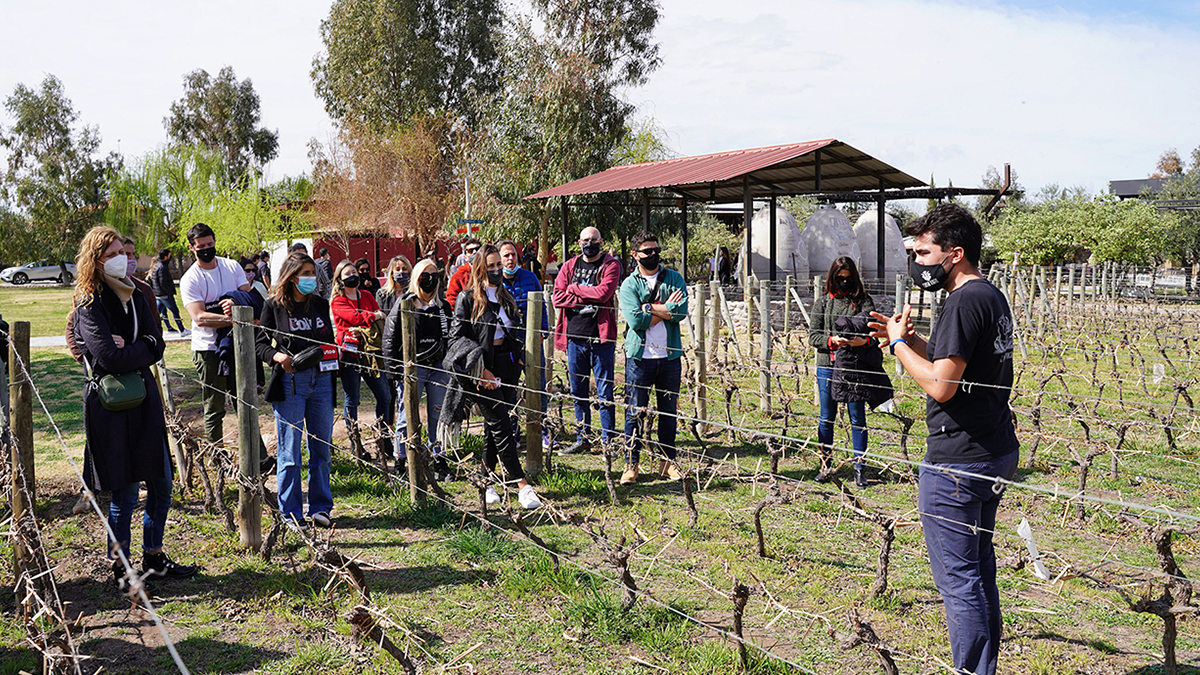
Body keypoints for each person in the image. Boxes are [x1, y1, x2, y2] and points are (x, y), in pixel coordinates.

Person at [869, 203, 1019, 675]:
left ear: (954, 254)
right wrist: (913, 343)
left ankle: (972, 670)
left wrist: (896, 348)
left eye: (924, 252)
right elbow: (952, 365)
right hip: (994, 449)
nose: (917, 262)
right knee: (978, 570)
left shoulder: (961, 301)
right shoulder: (989, 296)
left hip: (959, 459)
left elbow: (940, 385)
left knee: (959, 580)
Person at [72, 226, 196, 591]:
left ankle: (154, 558)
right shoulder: (89, 304)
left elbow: (157, 345)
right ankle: (122, 568)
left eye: (122, 253)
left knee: (162, 484)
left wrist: (132, 347)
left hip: (145, 402)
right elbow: (107, 356)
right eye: (111, 254)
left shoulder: (137, 294)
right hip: (112, 408)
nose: (121, 259)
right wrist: (133, 349)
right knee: (125, 495)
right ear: (95, 261)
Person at [442, 245, 541, 509]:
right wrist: (480, 368)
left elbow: (513, 330)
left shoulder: (506, 296)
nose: (497, 270)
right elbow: (457, 338)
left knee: (493, 427)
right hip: (482, 369)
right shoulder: (467, 299)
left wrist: (519, 355)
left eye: (499, 264)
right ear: (480, 268)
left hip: (508, 365)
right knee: (502, 425)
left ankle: (485, 481)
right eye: (491, 266)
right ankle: (522, 485)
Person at [179, 223, 271, 471]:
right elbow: (199, 317)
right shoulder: (190, 279)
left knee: (245, 400)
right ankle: (218, 458)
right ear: (192, 248)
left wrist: (235, 303)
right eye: (201, 247)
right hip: (208, 349)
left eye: (210, 245)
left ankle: (259, 456)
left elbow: (248, 297)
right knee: (214, 406)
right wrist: (234, 317)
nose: (207, 250)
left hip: (238, 345)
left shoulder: (232, 266)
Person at [256, 251, 337, 530]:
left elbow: (329, 340)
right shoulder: (274, 306)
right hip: (291, 382)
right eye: (305, 274)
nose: (311, 279)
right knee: (290, 452)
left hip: (322, 382)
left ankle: (320, 507)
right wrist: (278, 358)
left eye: (312, 273)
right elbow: (259, 344)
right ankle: (291, 513)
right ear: (291, 277)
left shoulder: (321, 305)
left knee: (322, 448)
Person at [617, 231, 689, 484]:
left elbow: (681, 313)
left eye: (656, 250)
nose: (653, 255)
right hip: (640, 358)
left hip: (669, 357)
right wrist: (664, 308)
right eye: (647, 251)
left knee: (668, 412)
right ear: (635, 255)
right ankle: (631, 465)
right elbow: (635, 321)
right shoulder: (629, 284)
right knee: (635, 412)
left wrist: (648, 308)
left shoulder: (674, 278)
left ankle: (668, 464)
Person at [552, 226, 622, 455]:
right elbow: (557, 297)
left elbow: (604, 293)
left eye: (593, 239)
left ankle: (607, 442)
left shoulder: (611, 265)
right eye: (585, 240)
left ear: (601, 241)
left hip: (601, 339)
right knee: (578, 392)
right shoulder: (569, 266)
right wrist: (582, 297)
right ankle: (583, 439)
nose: (589, 243)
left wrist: (575, 289)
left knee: (605, 393)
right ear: (579, 242)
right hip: (575, 338)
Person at [808, 257, 876, 487]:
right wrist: (832, 341)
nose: (844, 282)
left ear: (854, 278)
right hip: (828, 365)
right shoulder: (822, 303)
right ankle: (825, 466)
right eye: (840, 278)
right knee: (827, 417)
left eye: (848, 278)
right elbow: (813, 337)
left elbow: (872, 335)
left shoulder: (864, 302)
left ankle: (860, 469)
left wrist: (859, 342)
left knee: (857, 417)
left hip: (854, 367)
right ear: (832, 278)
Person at [382, 258, 452, 478]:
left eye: (434, 275)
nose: (430, 280)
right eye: (424, 276)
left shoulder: (443, 306)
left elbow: (449, 337)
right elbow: (390, 339)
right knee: (407, 416)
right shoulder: (405, 303)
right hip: (413, 367)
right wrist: (393, 371)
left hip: (438, 367)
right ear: (416, 278)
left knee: (438, 415)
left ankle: (439, 459)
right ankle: (402, 461)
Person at [498, 240, 551, 447]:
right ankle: (512, 429)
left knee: (537, 387)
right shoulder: (495, 281)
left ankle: (541, 429)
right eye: (506, 256)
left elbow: (542, 306)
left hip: (531, 341)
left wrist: (542, 333)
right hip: (506, 343)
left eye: (513, 254)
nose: (510, 259)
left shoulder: (529, 277)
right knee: (509, 387)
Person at [331, 259, 393, 426]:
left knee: (385, 396)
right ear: (339, 279)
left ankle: (383, 435)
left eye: (354, 272)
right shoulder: (338, 300)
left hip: (371, 353)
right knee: (353, 399)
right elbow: (356, 317)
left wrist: (366, 323)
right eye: (347, 274)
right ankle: (355, 440)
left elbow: (374, 317)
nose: (353, 276)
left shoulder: (367, 295)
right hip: (350, 354)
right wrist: (375, 316)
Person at [151, 248, 189, 335]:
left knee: (158, 313)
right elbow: (163, 282)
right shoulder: (162, 267)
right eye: (169, 255)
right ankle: (182, 330)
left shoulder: (157, 266)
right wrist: (169, 293)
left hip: (158, 295)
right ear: (165, 257)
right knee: (175, 311)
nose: (170, 257)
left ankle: (167, 328)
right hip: (164, 295)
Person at [445, 239, 481, 311]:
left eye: (478, 249)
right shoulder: (458, 276)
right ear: (465, 257)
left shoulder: (491, 271)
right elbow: (452, 301)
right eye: (471, 251)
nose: (475, 252)